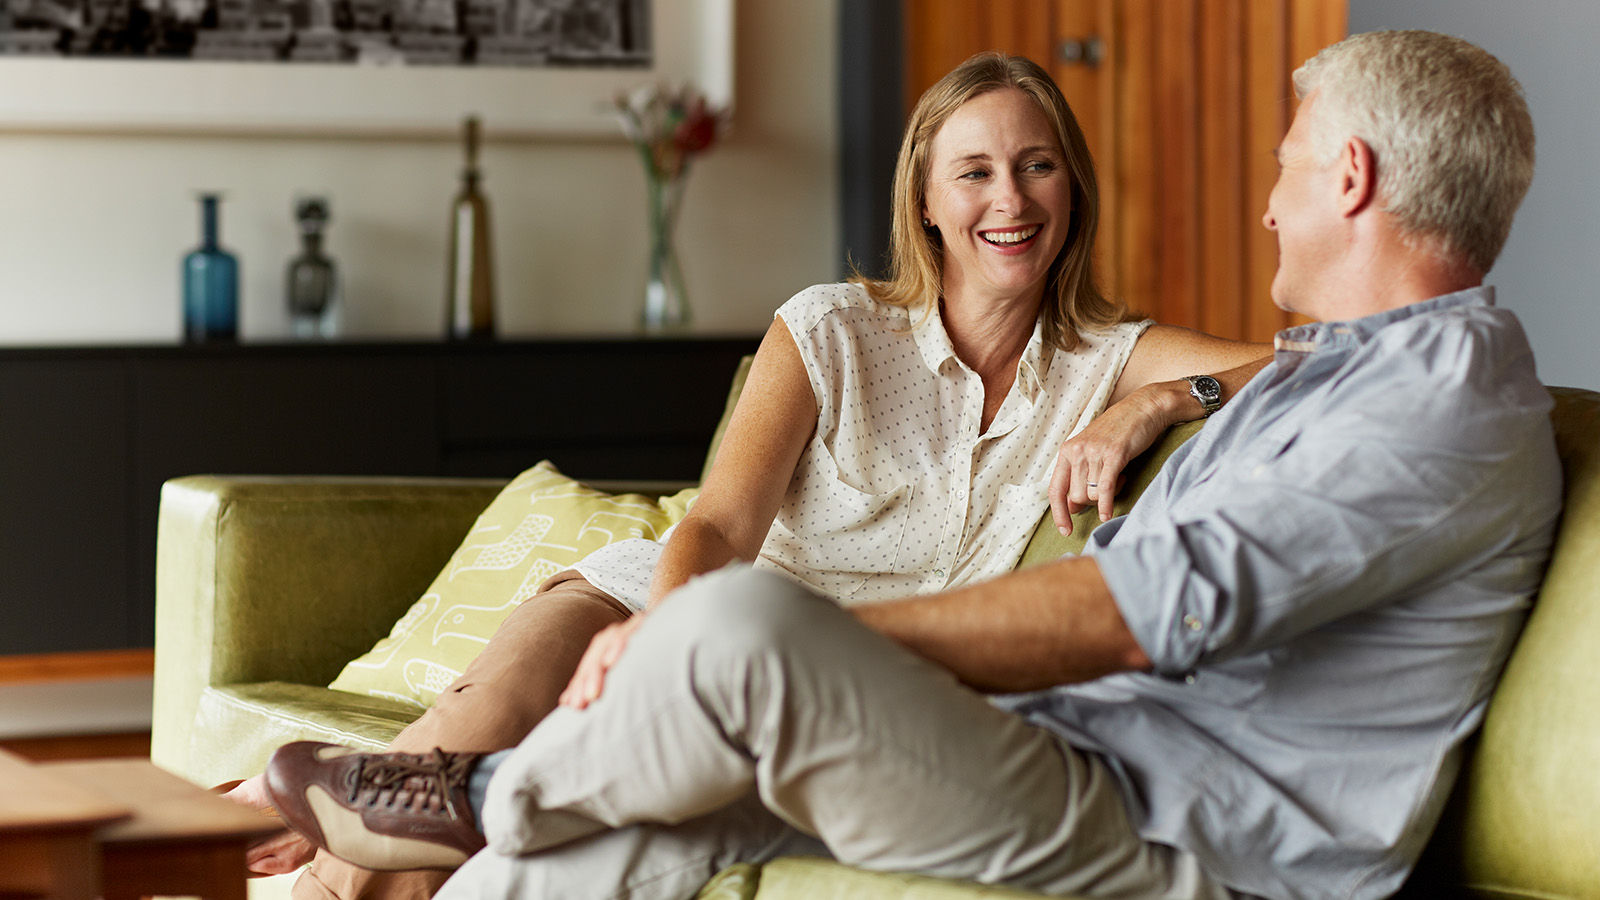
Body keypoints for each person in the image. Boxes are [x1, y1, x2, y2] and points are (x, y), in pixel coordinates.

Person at [257, 28, 1560, 900]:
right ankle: (456, 822)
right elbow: (1266, 369)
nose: (1267, 203)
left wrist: (833, 653)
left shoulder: (1437, 407)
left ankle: (472, 791)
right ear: (927, 198)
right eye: (978, 171)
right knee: (647, 814)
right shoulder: (1346, 367)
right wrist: (1178, 396)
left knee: (740, 632)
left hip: (1193, 836)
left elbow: (1129, 610)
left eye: (1283, 170)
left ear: (1350, 176)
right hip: (1084, 758)